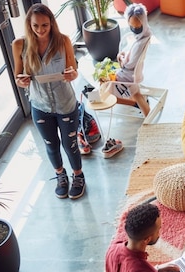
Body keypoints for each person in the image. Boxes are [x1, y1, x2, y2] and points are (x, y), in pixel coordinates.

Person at [12, 3, 85, 200]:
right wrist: (22, 80)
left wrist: (71, 75)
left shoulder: (63, 41)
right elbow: (18, 76)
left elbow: (73, 70)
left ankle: (78, 176)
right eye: (36, 26)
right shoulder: (19, 45)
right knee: (51, 144)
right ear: (29, 24)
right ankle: (60, 175)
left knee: (70, 144)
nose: (40, 30)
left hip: (65, 104)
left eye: (45, 25)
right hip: (40, 105)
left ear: (52, 23)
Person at [100, 3, 153, 158]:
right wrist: (124, 56)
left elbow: (129, 64)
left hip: (128, 76)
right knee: (136, 95)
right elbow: (131, 55)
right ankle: (147, 118)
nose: (134, 29)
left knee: (106, 83)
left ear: (142, 22)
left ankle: (116, 101)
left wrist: (121, 58)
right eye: (131, 26)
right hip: (133, 75)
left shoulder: (139, 42)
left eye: (137, 26)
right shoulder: (145, 34)